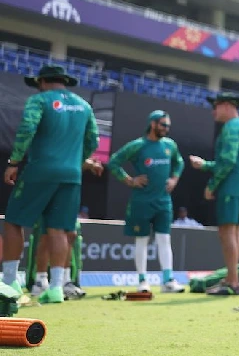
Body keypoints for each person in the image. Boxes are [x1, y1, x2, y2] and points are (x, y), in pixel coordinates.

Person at [1, 65, 98, 302]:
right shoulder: (84, 106)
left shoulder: (40, 100)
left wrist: (14, 162)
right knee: (59, 230)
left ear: (42, 82)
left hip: (40, 170)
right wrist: (75, 160)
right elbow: (93, 141)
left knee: (14, 222)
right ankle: (56, 288)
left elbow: (27, 129)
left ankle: (10, 280)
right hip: (71, 175)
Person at [107, 110, 186, 293]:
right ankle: (142, 281)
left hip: (164, 202)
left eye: (168, 126)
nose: (166, 129)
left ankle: (168, 280)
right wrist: (130, 180)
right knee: (141, 240)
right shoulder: (138, 146)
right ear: (153, 124)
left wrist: (174, 179)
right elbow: (113, 162)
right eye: (163, 125)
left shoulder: (169, 145)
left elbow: (179, 162)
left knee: (164, 239)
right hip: (141, 201)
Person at [189, 92, 239, 296]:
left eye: (215, 106)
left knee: (226, 232)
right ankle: (232, 278)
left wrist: (210, 179)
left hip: (230, 186)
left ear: (226, 105)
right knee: (235, 232)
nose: (213, 112)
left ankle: (233, 283)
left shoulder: (231, 127)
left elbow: (227, 161)